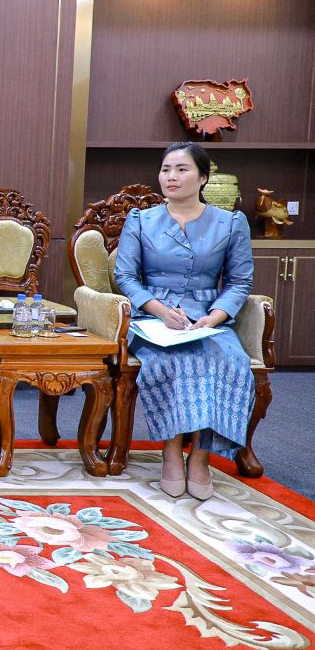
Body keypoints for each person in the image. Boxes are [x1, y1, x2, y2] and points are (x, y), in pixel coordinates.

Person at [113, 142, 254, 501]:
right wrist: (160, 310)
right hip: (152, 317)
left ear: (203, 177)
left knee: (228, 361)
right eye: (166, 169)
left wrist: (215, 317)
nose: (171, 177)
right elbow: (125, 276)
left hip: (208, 316)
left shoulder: (230, 222)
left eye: (182, 169)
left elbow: (239, 281)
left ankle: (201, 457)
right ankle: (172, 450)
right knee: (173, 362)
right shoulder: (140, 220)